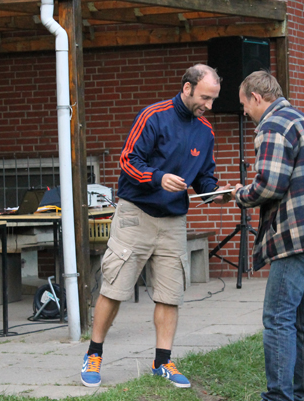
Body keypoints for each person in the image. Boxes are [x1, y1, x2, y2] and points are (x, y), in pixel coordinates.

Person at [81, 64, 232, 389]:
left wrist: (216, 193)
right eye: (205, 98)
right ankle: (93, 355)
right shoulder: (153, 116)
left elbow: (204, 177)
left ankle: (162, 362)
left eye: (213, 99)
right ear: (187, 88)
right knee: (115, 288)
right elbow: (128, 160)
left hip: (173, 221)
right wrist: (158, 177)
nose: (209, 105)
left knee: (170, 294)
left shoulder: (206, 131)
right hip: (136, 214)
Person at [231, 71, 304, 401]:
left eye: (244, 105)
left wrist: (239, 194)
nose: (245, 113)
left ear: (256, 97)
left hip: (295, 240)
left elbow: (269, 185)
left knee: (278, 319)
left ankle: (279, 397)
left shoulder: (273, 125)